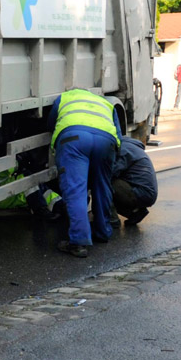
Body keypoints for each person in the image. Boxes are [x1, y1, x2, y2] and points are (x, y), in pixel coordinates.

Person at [49, 87, 122, 258]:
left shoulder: (64, 97)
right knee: (102, 186)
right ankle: (103, 232)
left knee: (76, 190)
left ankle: (79, 242)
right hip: (106, 141)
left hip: (74, 139)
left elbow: (51, 124)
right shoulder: (105, 103)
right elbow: (119, 134)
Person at [111, 136, 157, 225]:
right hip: (145, 193)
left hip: (141, 193)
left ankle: (111, 220)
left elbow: (111, 172)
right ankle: (135, 213)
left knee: (103, 183)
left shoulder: (124, 150)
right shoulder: (131, 147)